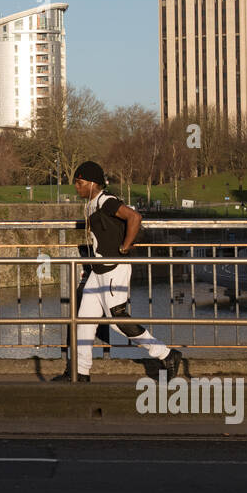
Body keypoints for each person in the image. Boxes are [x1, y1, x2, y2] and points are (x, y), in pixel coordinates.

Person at [53, 160, 182, 382]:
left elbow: (135, 217)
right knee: (83, 320)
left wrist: (124, 247)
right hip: (98, 271)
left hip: (114, 269)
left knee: (118, 321)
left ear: (92, 183)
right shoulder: (91, 204)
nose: (76, 187)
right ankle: (80, 371)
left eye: (79, 182)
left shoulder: (106, 201)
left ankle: (166, 354)